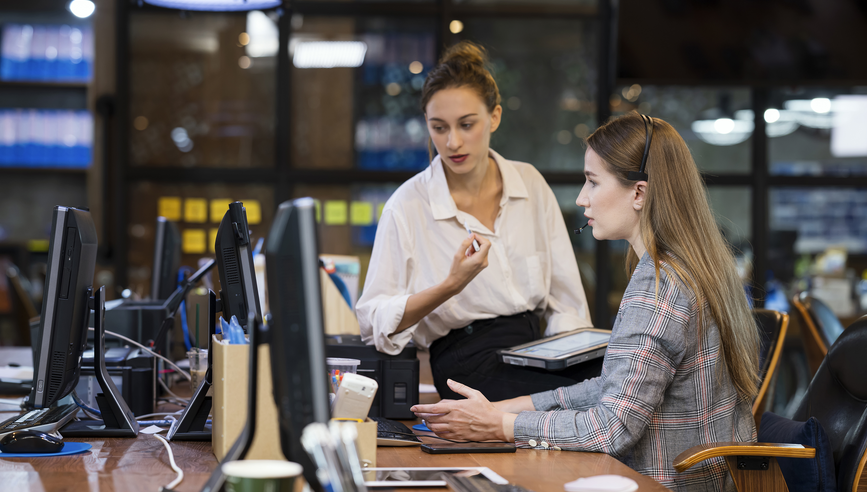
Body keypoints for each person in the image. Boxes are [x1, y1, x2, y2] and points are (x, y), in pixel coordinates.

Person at [412, 112, 760, 492]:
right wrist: (504, 409)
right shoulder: (682, 266)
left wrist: (498, 426)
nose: (581, 198)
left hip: (661, 484)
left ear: (639, 193)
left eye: (593, 182)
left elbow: (613, 428)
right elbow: (610, 387)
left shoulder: (661, 287)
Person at [355, 41, 597, 401]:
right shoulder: (407, 205)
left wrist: (575, 355)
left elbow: (565, 302)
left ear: (494, 117)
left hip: (535, 352)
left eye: (467, 124)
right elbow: (373, 321)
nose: (453, 142)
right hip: (465, 362)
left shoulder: (529, 184)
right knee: (586, 396)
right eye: (439, 128)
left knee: (615, 378)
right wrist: (450, 286)